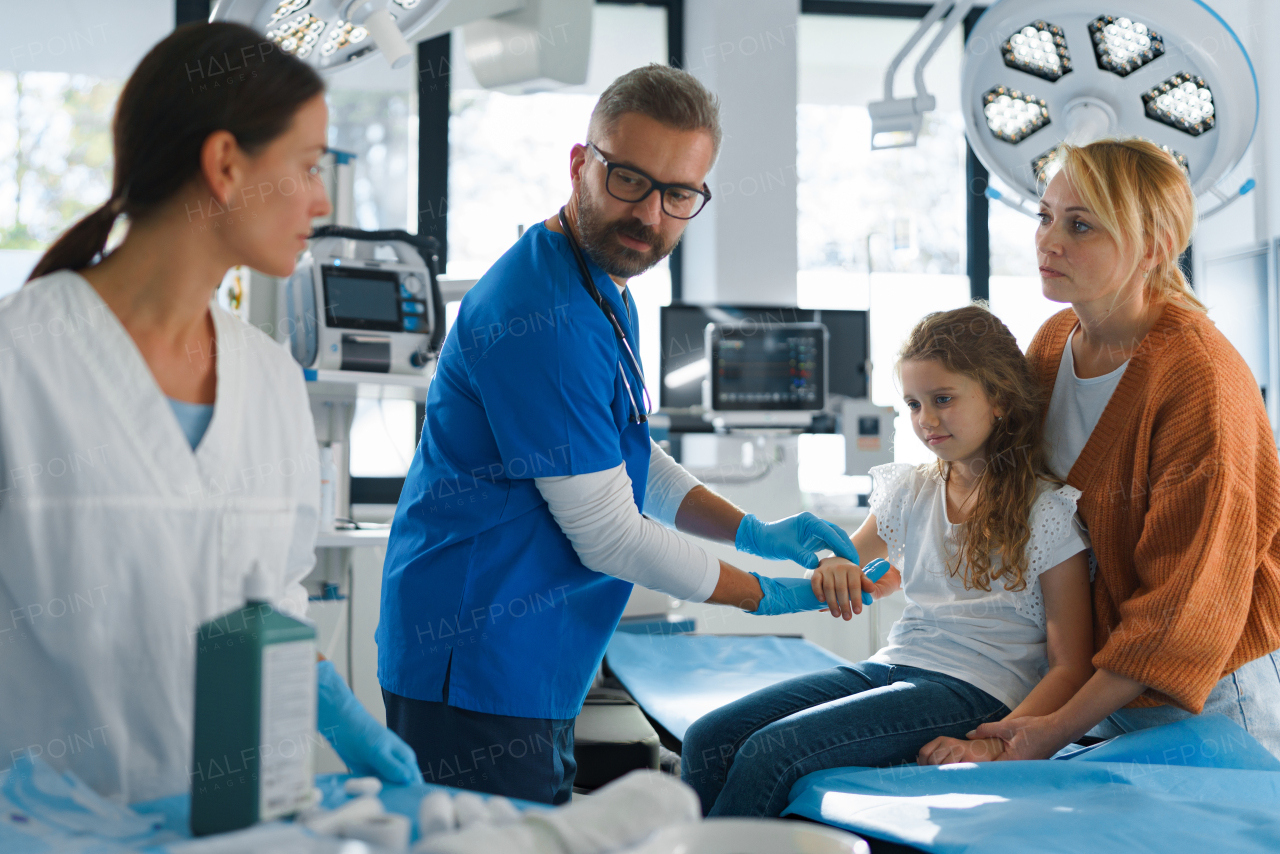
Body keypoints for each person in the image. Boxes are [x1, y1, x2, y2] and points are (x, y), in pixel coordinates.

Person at [377, 64, 860, 805]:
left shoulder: (603, 282)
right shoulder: (545, 314)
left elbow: (630, 459)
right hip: (474, 658)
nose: (651, 215)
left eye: (679, 195)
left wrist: (754, 532)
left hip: (527, 651)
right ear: (581, 163)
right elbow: (608, 533)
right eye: (629, 180)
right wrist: (758, 593)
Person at [0, 23, 419, 803]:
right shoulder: (19, 362)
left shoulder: (266, 378)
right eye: (308, 165)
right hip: (51, 830)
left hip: (248, 824)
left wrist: (334, 707)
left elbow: (271, 602)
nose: (323, 200)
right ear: (226, 164)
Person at [680, 304, 1096, 817]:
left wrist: (998, 742)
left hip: (978, 689)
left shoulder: (1047, 511)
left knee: (772, 755)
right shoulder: (912, 490)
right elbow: (849, 558)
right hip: (893, 666)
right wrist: (833, 565)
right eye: (914, 404)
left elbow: (1071, 666)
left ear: (1000, 398)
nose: (927, 420)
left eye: (943, 399)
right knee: (707, 738)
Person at [961, 139, 1280, 759]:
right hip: (1098, 683)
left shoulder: (1198, 379)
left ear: (1155, 247)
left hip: (1203, 695)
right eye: (1045, 215)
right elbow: (1010, 489)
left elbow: (1184, 604)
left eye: (1080, 225)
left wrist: (1051, 729)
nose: (1048, 241)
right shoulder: (1055, 343)